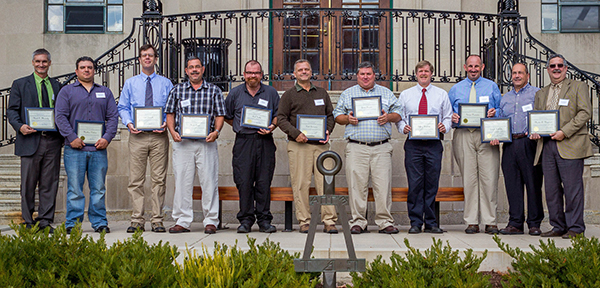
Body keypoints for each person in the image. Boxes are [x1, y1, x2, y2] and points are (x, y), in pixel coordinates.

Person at [333, 61, 402, 234]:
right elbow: (337, 116)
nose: (365, 77)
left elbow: (399, 113)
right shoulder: (348, 93)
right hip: (357, 147)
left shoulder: (385, 93)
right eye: (362, 74)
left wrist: (388, 117)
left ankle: (385, 221)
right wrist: (348, 119)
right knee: (356, 186)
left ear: (374, 75)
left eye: (369, 74)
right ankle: (358, 221)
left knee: (383, 185)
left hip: (381, 147)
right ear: (357, 76)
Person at [530, 54, 592, 239]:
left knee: (573, 188)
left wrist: (564, 131)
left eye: (559, 65)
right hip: (547, 146)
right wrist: (535, 131)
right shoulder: (541, 93)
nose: (556, 68)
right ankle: (557, 225)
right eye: (552, 66)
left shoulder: (579, 87)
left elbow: (585, 113)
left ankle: (575, 227)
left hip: (570, 143)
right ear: (548, 69)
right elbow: (537, 118)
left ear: (565, 68)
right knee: (551, 189)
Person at [55, 56, 119, 234]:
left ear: (94, 70)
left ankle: (99, 222)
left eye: (89, 67)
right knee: (75, 189)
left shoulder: (105, 92)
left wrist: (107, 137)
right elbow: (60, 117)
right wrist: (71, 137)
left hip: (99, 149)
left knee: (98, 188)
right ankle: (73, 224)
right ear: (76, 71)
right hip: (74, 149)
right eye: (82, 67)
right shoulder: (66, 92)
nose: (86, 70)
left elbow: (113, 117)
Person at [164, 56, 226, 234]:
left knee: (209, 181)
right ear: (186, 71)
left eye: (197, 67)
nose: (194, 70)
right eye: (191, 67)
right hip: (182, 143)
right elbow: (170, 113)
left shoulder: (214, 90)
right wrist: (172, 132)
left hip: (207, 143)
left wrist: (217, 132)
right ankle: (182, 221)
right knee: (182, 181)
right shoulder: (177, 90)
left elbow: (219, 115)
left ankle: (211, 220)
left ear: (203, 69)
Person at [117, 44, 173, 233]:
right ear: (139, 60)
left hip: (159, 137)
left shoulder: (166, 83)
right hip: (137, 136)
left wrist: (166, 122)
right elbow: (122, 107)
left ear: (156, 59)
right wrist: (129, 123)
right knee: (136, 179)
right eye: (143, 56)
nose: (147, 58)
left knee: (159, 179)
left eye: (150, 55)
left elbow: (172, 108)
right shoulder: (130, 83)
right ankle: (137, 220)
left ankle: (157, 219)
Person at [278, 59, 338, 234]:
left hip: (320, 146)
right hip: (299, 146)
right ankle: (304, 220)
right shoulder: (289, 95)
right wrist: (296, 133)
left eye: (307, 69)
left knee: (326, 184)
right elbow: (281, 118)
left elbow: (330, 116)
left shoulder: (321, 93)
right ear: (294, 74)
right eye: (300, 70)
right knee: (301, 184)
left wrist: (327, 131)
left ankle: (329, 221)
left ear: (311, 72)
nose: (304, 72)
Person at [7, 48, 63, 233]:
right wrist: (20, 126)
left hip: (52, 141)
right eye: (38, 61)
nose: (41, 65)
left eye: (44, 61)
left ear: (49, 63)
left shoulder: (57, 86)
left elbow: (62, 113)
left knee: (49, 183)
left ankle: (45, 221)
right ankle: (28, 221)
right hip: (29, 139)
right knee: (28, 184)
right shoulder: (20, 84)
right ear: (32, 62)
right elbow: (12, 111)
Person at [397, 60, 452, 234]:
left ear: (431, 73)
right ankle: (415, 222)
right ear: (416, 74)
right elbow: (400, 117)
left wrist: (445, 126)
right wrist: (402, 127)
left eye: (426, 71)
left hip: (434, 144)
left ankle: (431, 222)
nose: (423, 74)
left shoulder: (441, 94)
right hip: (413, 144)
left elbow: (448, 117)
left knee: (431, 184)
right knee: (415, 184)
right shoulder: (406, 95)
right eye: (420, 71)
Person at [448, 55, 501, 234]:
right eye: (470, 66)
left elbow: (502, 108)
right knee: (469, 179)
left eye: (476, 66)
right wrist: (452, 118)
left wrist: (496, 112)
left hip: (487, 135)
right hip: (463, 135)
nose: (473, 69)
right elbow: (447, 113)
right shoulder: (456, 89)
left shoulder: (491, 86)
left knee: (489, 178)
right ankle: (471, 221)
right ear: (465, 67)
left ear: (482, 67)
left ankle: (490, 221)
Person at [224, 60, 278, 234]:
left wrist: (271, 126)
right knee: (244, 181)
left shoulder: (270, 92)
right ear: (244, 74)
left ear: (261, 74)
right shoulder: (235, 93)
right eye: (249, 73)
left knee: (263, 181)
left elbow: (278, 115)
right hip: (243, 142)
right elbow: (227, 115)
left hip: (265, 142)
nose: (252, 76)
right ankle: (246, 219)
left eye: (256, 73)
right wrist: (240, 125)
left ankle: (264, 220)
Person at [491, 63, 544, 236]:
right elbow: (500, 119)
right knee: (512, 184)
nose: (517, 76)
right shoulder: (505, 97)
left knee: (533, 183)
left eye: (520, 73)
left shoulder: (537, 94)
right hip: (509, 144)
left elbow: (543, 116)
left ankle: (534, 223)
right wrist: (493, 129)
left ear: (527, 75)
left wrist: (538, 130)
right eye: (514, 73)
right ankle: (515, 223)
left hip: (529, 142)